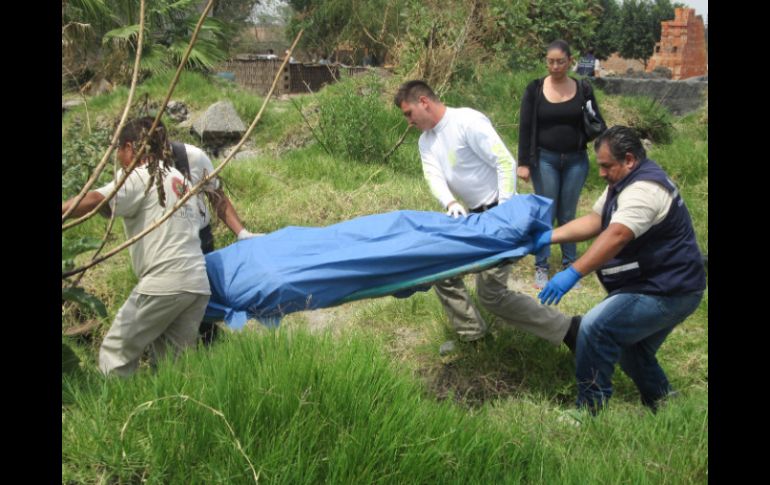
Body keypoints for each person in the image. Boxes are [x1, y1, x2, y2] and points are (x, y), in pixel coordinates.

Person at [394, 80, 579, 355]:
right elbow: (433, 174)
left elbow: (504, 162)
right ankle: (473, 337)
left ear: (424, 102)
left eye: (409, 113)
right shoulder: (426, 141)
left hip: (500, 214)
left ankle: (569, 330)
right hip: (471, 219)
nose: (408, 122)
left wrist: (504, 211)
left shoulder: (466, 121)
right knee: (440, 269)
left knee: (492, 296)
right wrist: (450, 202)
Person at [534, 126, 706, 413]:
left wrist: (573, 272)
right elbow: (595, 220)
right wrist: (550, 236)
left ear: (629, 159)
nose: (601, 173)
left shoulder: (644, 190)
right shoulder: (623, 181)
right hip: (658, 283)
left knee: (595, 327)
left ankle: (588, 410)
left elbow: (616, 235)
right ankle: (665, 405)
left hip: (668, 290)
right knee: (630, 347)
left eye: (605, 166)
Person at [62, 117, 211, 376]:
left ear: (130, 148)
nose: (118, 157)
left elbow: (98, 199)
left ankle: (112, 413)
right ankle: (177, 412)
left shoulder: (141, 175)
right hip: (196, 283)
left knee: (115, 351)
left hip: (164, 281)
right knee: (173, 369)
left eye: (118, 149)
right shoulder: (180, 179)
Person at [518, 39, 606, 289]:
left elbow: (598, 122)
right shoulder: (534, 89)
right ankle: (541, 266)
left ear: (570, 61)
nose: (555, 67)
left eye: (560, 62)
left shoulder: (583, 88)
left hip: (576, 160)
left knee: (568, 214)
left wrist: (606, 157)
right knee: (545, 212)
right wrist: (523, 162)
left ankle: (570, 265)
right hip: (544, 159)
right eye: (550, 61)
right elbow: (525, 128)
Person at [168, 140, 258, 345]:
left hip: (199, 239)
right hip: (164, 245)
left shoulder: (193, 157)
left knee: (201, 302)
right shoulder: (138, 169)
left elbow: (217, 197)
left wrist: (242, 233)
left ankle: (210, 343)